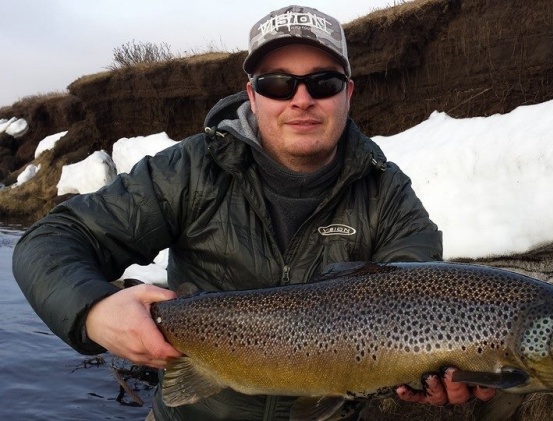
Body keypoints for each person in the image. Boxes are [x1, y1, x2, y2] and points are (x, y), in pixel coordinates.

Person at [12, 4, 495, 420]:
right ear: (251, 94)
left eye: (322, 82)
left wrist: (439, 370)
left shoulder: (388, 198)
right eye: (278, 83)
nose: (301, 99)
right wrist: (94, 310)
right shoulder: (190, 170)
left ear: (348, 92)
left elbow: (421, 297)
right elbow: (52, 240)